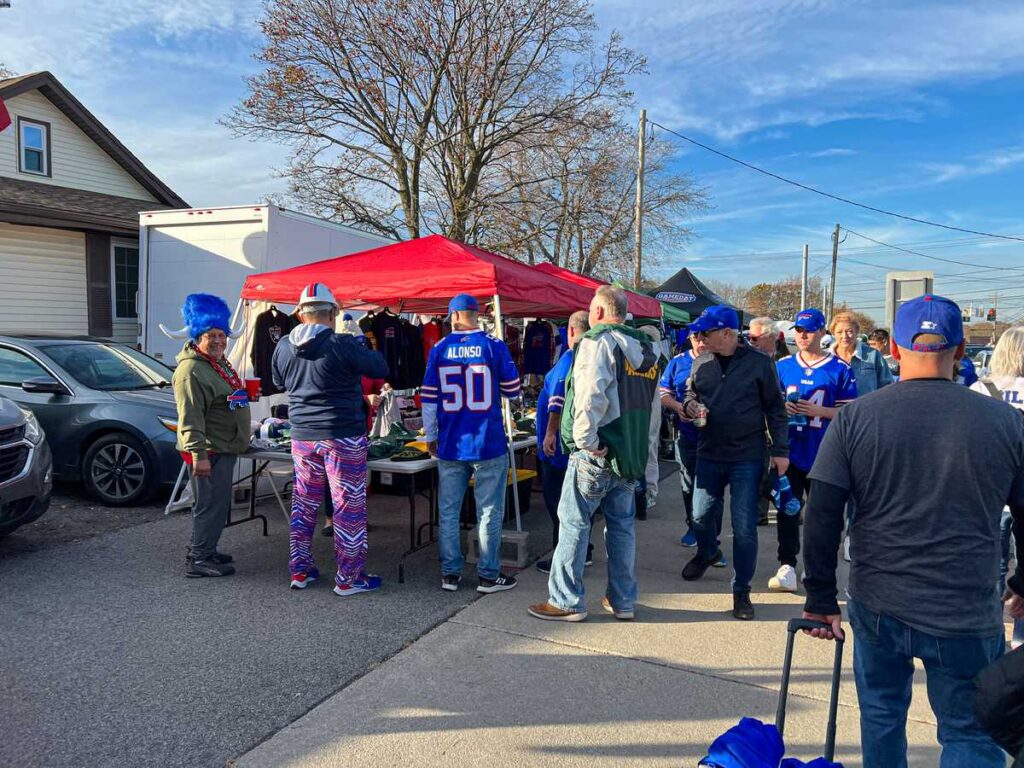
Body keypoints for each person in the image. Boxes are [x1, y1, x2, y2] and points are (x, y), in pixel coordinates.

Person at [801, 294, 1024, 768]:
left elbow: (821, 511)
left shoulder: (856, 418)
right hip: (965, 608)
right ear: (962, 351)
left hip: (880, 602)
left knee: (881, 716)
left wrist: (820, 597)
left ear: (895, 352)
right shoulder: (1007, 423)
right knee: (969, 731)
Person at [528, 286, 659, 622]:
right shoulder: (648, 350)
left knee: (573, 523)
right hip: (629, 454)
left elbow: (590, 394)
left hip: (597, 452)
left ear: (599, 312)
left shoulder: (598, 341)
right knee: (621, 528)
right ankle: (623, 600)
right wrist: (648, 461)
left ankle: (566, 600)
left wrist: (585, 440)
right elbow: (653, 413)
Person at [272, 284, 389, 595]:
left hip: (302, 436)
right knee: (347, 505)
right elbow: (380, 366)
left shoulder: (283, 346)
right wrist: (360, 343)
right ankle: (349, 578)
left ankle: (300, 570)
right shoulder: (342, 343)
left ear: (299, 313)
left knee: (304, 503)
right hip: (342, 435)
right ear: (334, 313)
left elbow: (278, 380)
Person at [680, 305, 789, 621]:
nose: (699, 338)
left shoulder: (759, 364)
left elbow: (776, 410)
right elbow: (689, 394)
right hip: (709, 453)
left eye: (705, 332)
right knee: (699, 517)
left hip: (746, 457)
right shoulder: (701, 362)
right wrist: (691, 407)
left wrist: (780, 452)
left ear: (727, 333)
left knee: (744, 528)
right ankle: (707, 552)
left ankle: (741, 590)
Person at [422, 294, 521, 594]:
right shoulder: (494, 346)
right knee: (488, 512)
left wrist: (430, 436)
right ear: (477, 315)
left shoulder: (439, 349)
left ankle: (450, 574)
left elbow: (428, 400)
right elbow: (513, 390)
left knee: (449, 511)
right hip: (487, 441)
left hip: (452, 442)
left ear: (452, 316)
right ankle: (488, 575)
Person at [771, 308, 856, 593]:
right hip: (790, 449)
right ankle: (787, 564)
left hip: (825, 451)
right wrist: (782, 407)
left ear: (822, 332)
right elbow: (768, 404)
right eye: (799, 330)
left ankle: (817, 567)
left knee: (823, 516)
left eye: (808, 330)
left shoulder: (839, 368)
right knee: (787, 508)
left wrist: (818, 410)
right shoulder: (783, 366)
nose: (803, 335)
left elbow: (848, 412)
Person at [172, 293, 252, 578]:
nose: (218, 340)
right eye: (211, 335)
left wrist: (239, 402)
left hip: (223, 446)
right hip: (208, 450)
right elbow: (190, 417)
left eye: (222, 334)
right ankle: (198, 559)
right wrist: (199, 456)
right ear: (197, 337)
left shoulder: (218, 363)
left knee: (219, 504)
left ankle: (208, 549)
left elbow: (222, 400)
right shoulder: (191, 371)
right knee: (208, 505)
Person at [970, 325, 1024, 650]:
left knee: (993, 558)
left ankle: (989, 627)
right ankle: (1020, 637)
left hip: (989, 487)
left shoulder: (979, 388)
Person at [535, 310, 591, 574]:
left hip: (558, 448)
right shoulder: (589, 358)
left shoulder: (568, 359)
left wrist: (549, 433)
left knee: (559, 505)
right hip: (576, 442)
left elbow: (557, 397)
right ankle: (584, 550)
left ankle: (562, 555)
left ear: (570, 331)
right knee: (575, 504)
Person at [660, 330, 708, 547]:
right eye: (695, 336)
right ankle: (693, 525)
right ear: (689, 338)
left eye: (704, 335)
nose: (700, 340)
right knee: (688, 484)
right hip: (687, 435)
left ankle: (710, 535)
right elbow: (663, 393)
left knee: (710, 487)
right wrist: (679, 407)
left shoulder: (719, 360)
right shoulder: (678, 362)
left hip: (715, 437)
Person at [748, 316, 787, 527]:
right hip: (760, 428)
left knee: (782, 472)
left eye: (754, 338)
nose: (750, 342)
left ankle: (790, 507)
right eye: (749, 338)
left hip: (785, 426)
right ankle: (759, 512)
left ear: (770, 337)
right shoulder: (749, 361)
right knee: (759, 474)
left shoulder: (786, 360)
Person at [831, 312, 893, 396]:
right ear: (833, 333)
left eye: (849, 331)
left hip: (866, 408)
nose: (844, 336)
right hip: (832, 409)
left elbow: (887, 387)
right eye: (839, 332)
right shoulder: (826, 358)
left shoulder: (873, 356)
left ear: (856, 331)